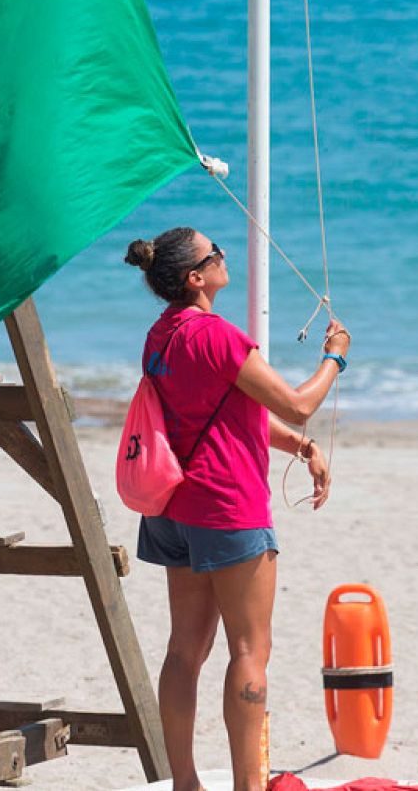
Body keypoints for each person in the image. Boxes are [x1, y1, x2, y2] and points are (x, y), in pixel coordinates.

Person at [123, 226, 351, 791]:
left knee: (185, 648)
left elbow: (224, 411)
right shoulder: (220, 337)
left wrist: (300, 448)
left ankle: (185, 783)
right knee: (249, 650)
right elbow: (298, 404)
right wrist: (335, 358)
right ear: (196, 278)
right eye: (215, 253)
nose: (226, 256)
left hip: (171, 507)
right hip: (225, 506)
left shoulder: (159, 335)